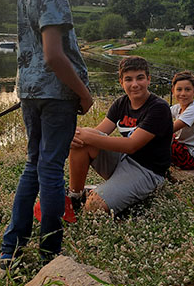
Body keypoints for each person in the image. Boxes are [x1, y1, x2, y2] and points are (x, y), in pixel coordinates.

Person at [0, 0, 93, 269]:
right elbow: (55, 55)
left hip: (29, 91)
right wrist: (84, 94)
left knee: (34, 165)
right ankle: (50, 253)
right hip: (56, 94)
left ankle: (11, 246)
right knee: (51, 170)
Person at [67, 56, 172, 215]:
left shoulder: (159, 108)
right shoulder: (121, 103)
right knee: (83, 139)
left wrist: (85, 135)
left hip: (148, 171)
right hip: (124, 160)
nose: (135, 84)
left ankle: (98, 193)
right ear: (121, 82)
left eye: (140, 78)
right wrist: (76, 136)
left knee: (93, 206)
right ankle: (75, 196)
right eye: (128, 79)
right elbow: (100, 132)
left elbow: (131, 145)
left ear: (149, 79)